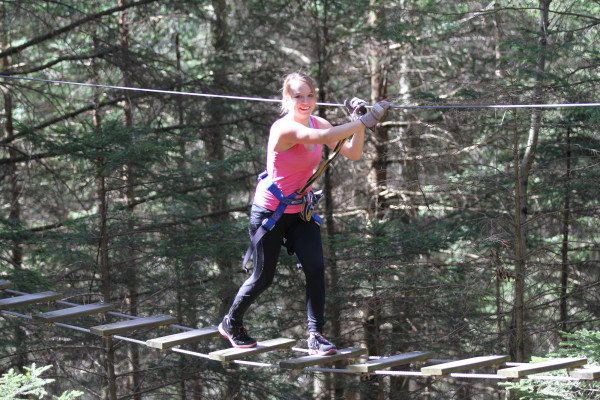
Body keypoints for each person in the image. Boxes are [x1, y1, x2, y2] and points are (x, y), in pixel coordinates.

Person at [218, 72, 390, 355]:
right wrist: (365, 119)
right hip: (270, 212)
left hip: (300, 211)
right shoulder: (283, 129)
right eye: (298, 96)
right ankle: (231, 321)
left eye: (310, 95)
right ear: (287, 99)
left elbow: (353, 152)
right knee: (263, 277)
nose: (306, 101)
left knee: (315, 267)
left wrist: (358, 122)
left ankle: (315, 335)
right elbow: (326, 137)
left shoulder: (317, 121)